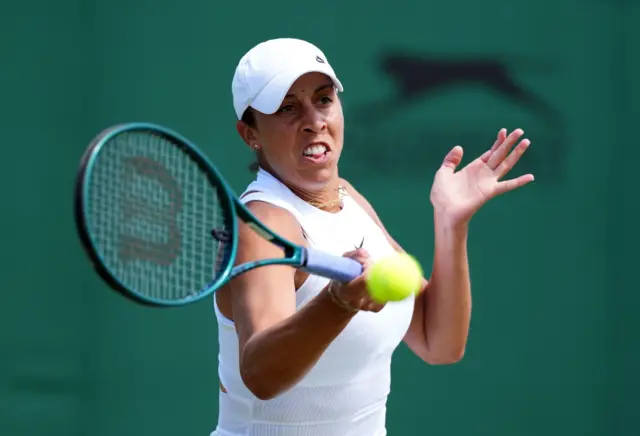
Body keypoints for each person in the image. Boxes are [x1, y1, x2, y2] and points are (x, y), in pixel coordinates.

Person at [211, 38, 534, 436]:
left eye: (324, 99)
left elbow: (441, 342)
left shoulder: (348, 197)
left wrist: (451, 224)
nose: (314, 120)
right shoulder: (265, 225)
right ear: (250, 134)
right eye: (288, 108)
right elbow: (261, 375)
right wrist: (337, 303)